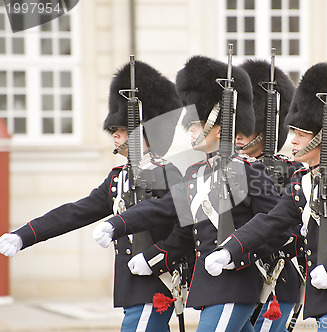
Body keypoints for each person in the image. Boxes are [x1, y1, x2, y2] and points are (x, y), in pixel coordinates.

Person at [92, 55, 284, 331]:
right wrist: (118, 224)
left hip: (236, 283)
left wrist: (237, 250)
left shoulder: (248, 170)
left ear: (217, 126)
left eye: (196, 125)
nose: (190, 130)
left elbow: (276, 221)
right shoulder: (196, 173)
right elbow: (166, 208)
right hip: (208, 285)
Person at [205, 61, 327, 332]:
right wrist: (231, 248)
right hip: (325, 300)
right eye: (293, 132)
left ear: (323, 137)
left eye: (301, 134)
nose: (292, 140)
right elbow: (271, 221)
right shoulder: (302, 181)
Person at [0, 60, 184, 331]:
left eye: (120, 130)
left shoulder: (168, 174)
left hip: (158, 282)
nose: (115, 136)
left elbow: (185, 231)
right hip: (131, 285)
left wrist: (155, 259)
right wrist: (24, 235)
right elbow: (74, 213)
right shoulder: (118, 179)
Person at [237, 59, 305, 332]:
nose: (240, 133)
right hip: (234, 283)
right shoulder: (230, 169)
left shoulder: (293, 172)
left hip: (277, 282)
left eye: (248, 125)